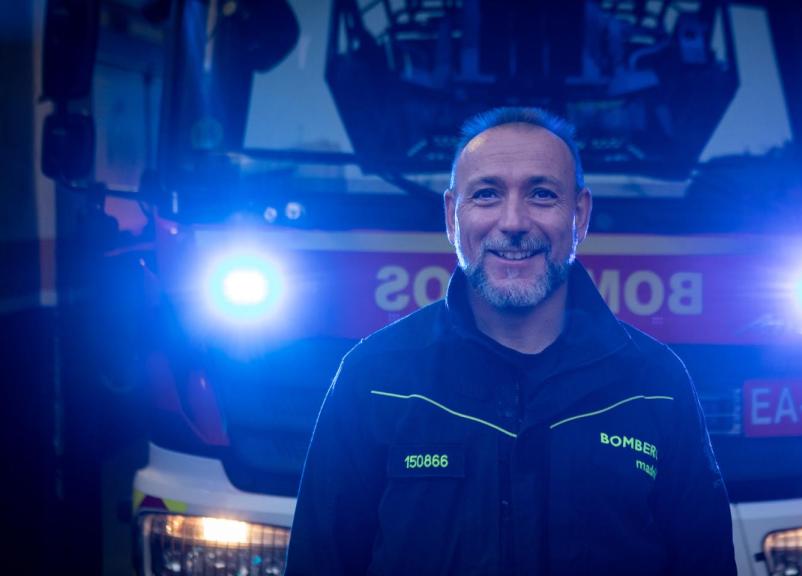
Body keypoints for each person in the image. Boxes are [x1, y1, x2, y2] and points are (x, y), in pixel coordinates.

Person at [285, 107, 736, 575]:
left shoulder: (657, 384)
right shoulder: (374, 379)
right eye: (486, 195)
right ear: (451, 217)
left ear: (579, 216)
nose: (514, 221)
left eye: (542, 194)